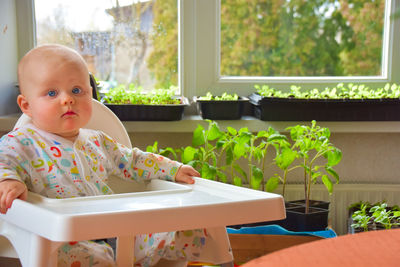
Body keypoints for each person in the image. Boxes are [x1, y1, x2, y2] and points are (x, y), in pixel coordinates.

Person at [0, 44, 224, 267]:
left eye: (77, 90)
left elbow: (133, 161)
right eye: (52, 93)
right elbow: (3, 161)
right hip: (63, 239)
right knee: (95, 258)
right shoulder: (21, 142)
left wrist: (172, 169)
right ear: (26, 105)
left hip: (116, 229)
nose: (67, 99)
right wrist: (8, 180)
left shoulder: (98, 140)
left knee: (182, 227)